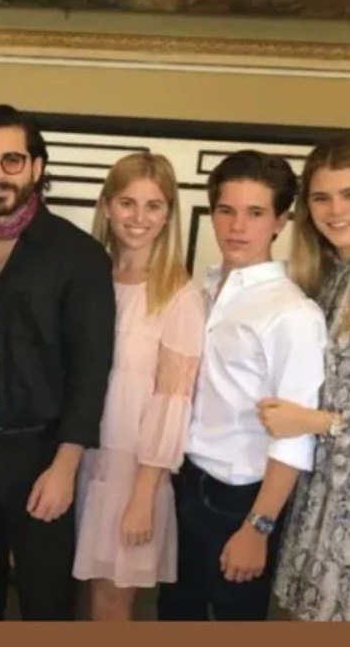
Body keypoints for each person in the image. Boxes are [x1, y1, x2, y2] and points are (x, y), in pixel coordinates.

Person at [0, 104, 115, 621]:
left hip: (44, 456)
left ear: (37, 166)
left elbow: (90, 371)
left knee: (46, 604)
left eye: (12, 161)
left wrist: (65, 466)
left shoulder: (80, 256)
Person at [156, 150, 326, 622]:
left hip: (240, 499)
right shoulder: (207, 287)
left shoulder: (292, 314)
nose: (237, 226)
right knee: (175, 614)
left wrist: (258, 527)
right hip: (186, 481)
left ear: (280, 221)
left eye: (255, 213)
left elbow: (295, 437)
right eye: (226, 210)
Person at [73, 153, 205, 620]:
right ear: (107, 206)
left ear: (168, 214)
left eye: (153, 206)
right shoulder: (89, 280)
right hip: (82, 459)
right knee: (83, 594)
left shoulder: (179, 297)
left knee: (113, 599)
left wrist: (145, 494)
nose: (139, 217)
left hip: (132, 472)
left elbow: (173, 402)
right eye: (127, 203)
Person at [268, 134, 350, 621]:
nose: (335, 210)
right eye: (322, 197)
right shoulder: (326, 276)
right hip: (319, 493)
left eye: (348, 194)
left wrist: (317, 422)